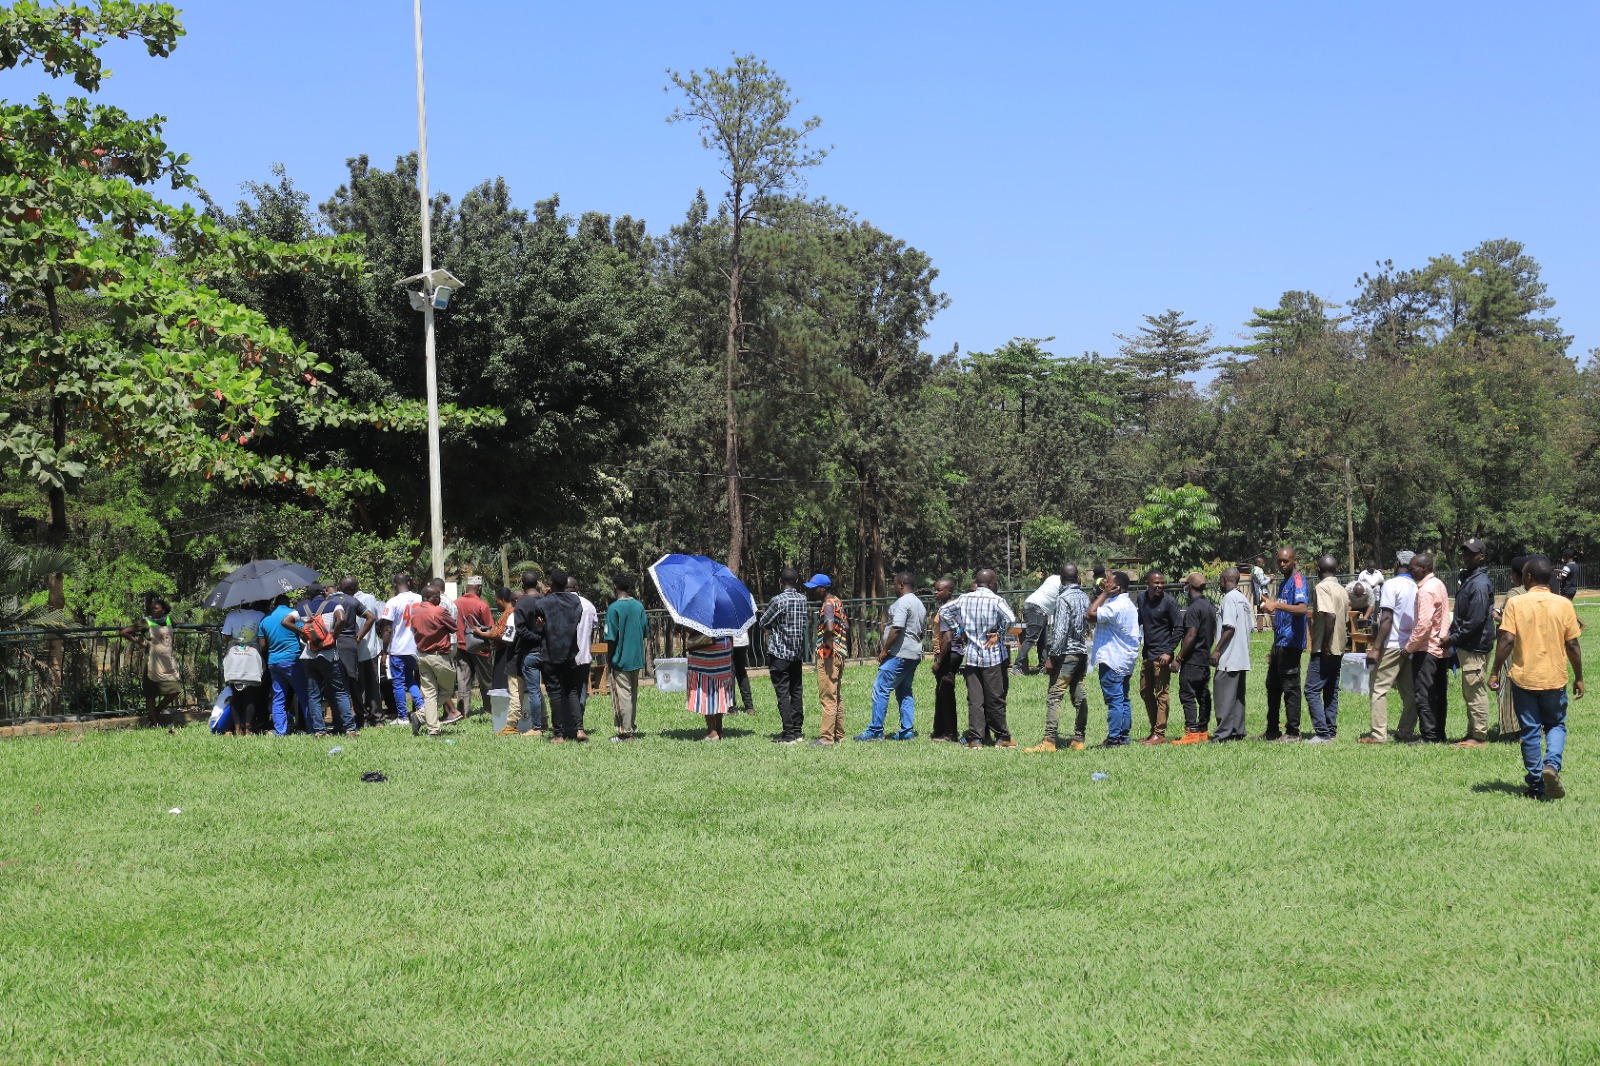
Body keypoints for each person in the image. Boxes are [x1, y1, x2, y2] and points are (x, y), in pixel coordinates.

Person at [1489, 555, 1583, 799]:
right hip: (1555, 677)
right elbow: (1572, 644)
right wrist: (1579, 677)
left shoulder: (1516, 604)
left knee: (1530, 731)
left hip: (1524, 679)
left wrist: (1495, 670)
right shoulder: (1564, 604)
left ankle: (1535, 784)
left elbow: (1507, 640)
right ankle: (1551, 764)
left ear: (1528, 577)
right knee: (1556, 724)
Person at [939, 568, 1016, 748]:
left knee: (975, 699)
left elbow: (943, 611)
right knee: (995, 698)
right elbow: (1011, 618)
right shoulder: (996, 600)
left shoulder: (965, 598)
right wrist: (999, 633)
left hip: (972, 657)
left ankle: (976, 739)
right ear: (991, 583)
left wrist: (959, 630)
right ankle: (1002, 737)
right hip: (992, 656)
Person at [1027, 565, 1092, 753]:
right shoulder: (1084, 597)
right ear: (1077, 579)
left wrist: (1051, 657)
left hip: (1066, 655)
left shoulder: (1063, 598)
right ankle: (1079, 739)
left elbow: (1061, 630)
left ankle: (1049, 741)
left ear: (1061, 580)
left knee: (1055, 696)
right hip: (1081, 653)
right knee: (1079, 696)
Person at [859, 570, 925, 741]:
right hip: (913, 654)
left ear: (901, 585)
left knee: (881, 689)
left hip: (899, 654)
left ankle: (875, 731)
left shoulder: (903, 603)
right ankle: (907, 731)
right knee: (904, 691)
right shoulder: (919, 603)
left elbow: (896, 628)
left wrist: (884, 651)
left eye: (894, 584)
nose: (893, 587)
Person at [285, 587, 359, 736]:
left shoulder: (302, 608)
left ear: (309, 595)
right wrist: (333, 636)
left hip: (309, 656)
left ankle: (319, 730)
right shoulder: (333, 605)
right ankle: (350, 728)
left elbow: (285, 621)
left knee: (314, 694)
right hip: (329, 655)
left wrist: (302, 633)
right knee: (340, 691)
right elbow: (342, 618)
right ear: (324, 593)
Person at [1362, 550, 1419, 744]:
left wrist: (1376, 648)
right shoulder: (1416, 586)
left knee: (1379, 689)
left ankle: (1378, 735)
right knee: (1410, 693)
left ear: (1397, 563)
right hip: (1409, 645)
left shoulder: (1391, 584)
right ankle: (1406, 730)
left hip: (1392, 644)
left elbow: (1386, 618)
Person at [1449, 538, 1496, 747]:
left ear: (1482, 556)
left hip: (1475, 644)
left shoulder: (1478, 584)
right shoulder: (1470, 579)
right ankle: (1472, 733)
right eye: (1465, 553)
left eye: (1472, 553)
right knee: (1469, 689)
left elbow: (1475, 620)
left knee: (1475, 689)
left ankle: (1479, 736)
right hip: (1469, 643)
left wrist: (1453, 638)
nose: (1467, 557)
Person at [1260, 548, 1309, 741]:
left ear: (1294, 560)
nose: (1282, 565)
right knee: (1272, 686)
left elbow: (1302, 608)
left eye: (1286, 561)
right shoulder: (1283, 582)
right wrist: (1273, 648)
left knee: (1290, 688)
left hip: (1291, 644)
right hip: (1280, 644)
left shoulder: (1298, 580)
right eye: (1279, 561)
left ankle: (1293, 732)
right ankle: (1272, 730)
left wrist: (1276, 605)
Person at [1088, 571, 1140, 748]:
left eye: (1108, 582)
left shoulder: (1115, 606)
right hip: (1125, 659)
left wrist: (1103, 594)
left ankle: (1113, 739)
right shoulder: (1126, 604)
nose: (1104, 582)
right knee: (1123, 699)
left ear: (1117, 587)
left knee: (1115, 701)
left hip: (1112, 659)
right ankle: (1123, 737)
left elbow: (1090, 615)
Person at [1404, 552, 1451, 743]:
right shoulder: (1439, 584)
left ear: (1423, 568)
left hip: (1426, 649)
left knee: (1424, 693)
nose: (1410, 571)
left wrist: (1409, 647)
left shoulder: (1425, 590)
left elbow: (1423, 623)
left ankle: (1429, 735)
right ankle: (1439, 733)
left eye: (1412, 568)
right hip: (1440, 647)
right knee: (1439, 693)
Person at [536, 568, 587, 743]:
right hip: (570, 652)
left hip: (550, 653)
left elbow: (537, 618)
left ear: (552, 583)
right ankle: (579, 729)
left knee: (555, 692)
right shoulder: (575, 601)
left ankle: (559, 734)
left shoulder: (545, 602)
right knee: (572, 690)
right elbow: (577, 618)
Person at [760, 568, 809, 744]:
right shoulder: (803, 600)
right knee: (796, 692)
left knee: (782, 694)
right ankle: (797, 731)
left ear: (781, 582)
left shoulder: (778, 600)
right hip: (796, 654)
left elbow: (763, 621)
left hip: (779, 653)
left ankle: (788, 734)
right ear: (797, 581)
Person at [1303, 555, 1350, 743]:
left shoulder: (1322, 587)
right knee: (1331, 689)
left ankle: (1322, 733)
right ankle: (1331, 730)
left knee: (1311, 689)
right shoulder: (1342, 589)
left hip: (1327, 647)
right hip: (1340, 646)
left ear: (1319, 571)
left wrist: (1324, 644)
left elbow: (1329, 615)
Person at [120, 595, 183, 727]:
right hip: (152, 662)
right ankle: (155, 722)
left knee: (176, 688)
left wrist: (199, 628)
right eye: (152, 608)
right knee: (151, 693)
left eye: (156, 608)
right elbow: (124, 632)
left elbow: (178, 624)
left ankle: (156, 712)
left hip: (167, 660)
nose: (153, 610)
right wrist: (138, 641)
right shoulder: (145, 622)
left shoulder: (169, 620)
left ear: (164, 609)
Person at [1135, 570, 1182, 745]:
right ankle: (1154, 729)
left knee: (1162, 694)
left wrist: (1169, 652)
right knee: (1145, 691)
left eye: (1162, 583)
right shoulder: (1141, 598)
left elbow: (1179, 628)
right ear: (1147, 583)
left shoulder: (1169, 602)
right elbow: (1138, 620)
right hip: (1147, 653)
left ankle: (1159, 733)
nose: (1160, 586)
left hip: (1162, 655)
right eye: (1156, 583)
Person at [1172, 572, 1217, 744]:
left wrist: (1179, 658)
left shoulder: (1193, 608)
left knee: (1187, 694)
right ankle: (1203, 730)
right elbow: (1212, 633)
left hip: (1192, 660)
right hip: (1204, 657)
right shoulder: (1209, 606)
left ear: (1189, 587)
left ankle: (1191, 732)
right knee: (1203, 694)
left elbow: (1191, 634)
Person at [604, 573, 649, 742]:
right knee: (632, 695)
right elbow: (645, 631)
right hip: (636, 658)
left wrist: (610, 660)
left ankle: (625, 732)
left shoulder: (614, 608)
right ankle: (631, 727)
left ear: (615, 586)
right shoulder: (638, 606)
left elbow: (611, 638)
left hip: (619, 660)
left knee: (621, 696)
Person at [406, 584, 455, 737]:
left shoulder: (414, 611)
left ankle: (432, 729)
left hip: (422, 656)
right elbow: (453, 627)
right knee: (446, 691)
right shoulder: (439, 611)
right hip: (439, 656)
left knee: (430, 693)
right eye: (437, 596)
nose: (439, 599)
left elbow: (414, 630)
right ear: (428, 597)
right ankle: (421, 716)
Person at [1209, 567, 1252, 742]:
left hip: (1229, 656)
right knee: (1237, 697)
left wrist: (1217, 649)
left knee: (1223, 695)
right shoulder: (1244, 599)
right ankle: (1237, 731)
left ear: (1226, 579)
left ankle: (1223, 734)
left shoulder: (1229, 598)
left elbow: (1229, 627)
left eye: (1220, 579)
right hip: (1242, 655)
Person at [805, 574, 847, 746]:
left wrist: (828, 649)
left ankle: (826, 738)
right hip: (840, 653)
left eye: (814, 588)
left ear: (822, 589)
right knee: (836, 695)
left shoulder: (828, 605)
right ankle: (839, 735)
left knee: (828, 696)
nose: (811, 591)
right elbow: (846, 625)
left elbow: (829, 628)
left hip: (829, 655)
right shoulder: (837, 601)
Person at [260, 594, 308, 735]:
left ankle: (280, 731)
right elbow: (302, 635)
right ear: (288, 603)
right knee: (304, 695)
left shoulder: (265, 618)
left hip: (274, 661)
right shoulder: (292, 615)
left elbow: (262, 646)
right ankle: (312, 727)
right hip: (292, 659)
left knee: (278, 697)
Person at [380, 574, 423, 726]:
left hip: (398, 649)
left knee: (398, 683)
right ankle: (422, 710)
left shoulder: (393, 602)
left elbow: (387, 629)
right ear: (409, 582)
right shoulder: (420, 599)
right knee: (411, 680)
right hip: (415, 648)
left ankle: (403, 717)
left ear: (394, 584)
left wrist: (384, 651)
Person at [219, 599, 267, 735]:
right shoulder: (259, 615)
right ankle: (248, 728)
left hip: (234, 658)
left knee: (236, 696)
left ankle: (237, 728)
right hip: (252, 657)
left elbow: (226, 636)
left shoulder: (231, 615)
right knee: (250, 696)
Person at [1494, 556, 1529, 741]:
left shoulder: (1513, 594)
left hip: (1512, 646)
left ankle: (1509, 731)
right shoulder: (1536, 592)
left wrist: (1495, 615)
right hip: (1532, 646)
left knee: (1507, 690)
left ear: (1516, 575)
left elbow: (1508, 623)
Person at [511, 571, 548, 736]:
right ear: (537, 583)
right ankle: (552, 724)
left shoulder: (521, 604)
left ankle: (537, 727)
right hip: (548, 651)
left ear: (523, 585)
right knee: (553, 689)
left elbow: (521, 630)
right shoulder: (546, 600)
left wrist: (536, 638)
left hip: (530, 652)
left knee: (533, 690)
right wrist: (544, 638)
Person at [454, 576, 495, 720]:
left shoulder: (456, 603)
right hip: (480, 648)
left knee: (463, 679)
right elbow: (490, 627)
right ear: (479, 588)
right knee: (486, 680)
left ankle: (463, 712)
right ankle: (489, 709)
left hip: (461, 646)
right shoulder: (482, 605)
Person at [686, 631, 736, 740]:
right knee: (720, 691)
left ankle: (712, 731)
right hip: (724, 647)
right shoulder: (724, 615)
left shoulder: (698, 614)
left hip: (704, 649)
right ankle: (719, 727)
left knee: (705, 691)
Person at [930, 577, 963, 742]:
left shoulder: (947, 611)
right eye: (935, 589)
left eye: (939, 590)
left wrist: (938, 662)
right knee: (941, 692)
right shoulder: (953, 608)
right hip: (951, 653)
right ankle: (939, 730)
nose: (936, 592)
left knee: (946, 693)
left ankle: (950, 733)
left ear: (949, 591)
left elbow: (948, 638)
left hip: (949, 654)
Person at [350, 579, 385, 728]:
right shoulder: (370, 598)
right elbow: (378, 619)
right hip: (371, 648)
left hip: (355, 649)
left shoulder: (346, 601)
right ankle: (377, 718)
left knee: (359, 686)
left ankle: (362, 718)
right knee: (373, 685)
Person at [1015, 570, 1061, 675]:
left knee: (1042, 641)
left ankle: (1043, 667)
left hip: (1033, 605)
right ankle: (1017, 666)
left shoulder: (1053, 577)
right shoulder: (1064, 586)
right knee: (1031, 638)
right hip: (1038, 609)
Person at [568, 575, 600, 724]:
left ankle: (569, 721)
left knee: (567, 689)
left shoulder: (559, 604)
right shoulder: (589, 605)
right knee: (581, 688)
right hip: (584, 655)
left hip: (565, 656)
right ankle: (579, 720)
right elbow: (593, 630)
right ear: (576, 588)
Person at [730, 626, 756, 715]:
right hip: (743, 641)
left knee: (730, 674)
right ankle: (749, 706)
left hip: (730, 640)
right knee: (742, 673)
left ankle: (731, 708)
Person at [1251, 557, 1271, 632]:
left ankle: (1260, 628)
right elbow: (1262, 582)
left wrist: (1268, 577)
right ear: (1258, 563)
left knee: (1260, 610)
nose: (1264, 563)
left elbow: (1262, 578)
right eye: (1262, 562)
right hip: (1262, 592)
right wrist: (1270, 579)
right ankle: (1275, 625)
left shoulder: (1253, 570)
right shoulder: (1259, 570)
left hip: (1257, 592)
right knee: (1270, 607)